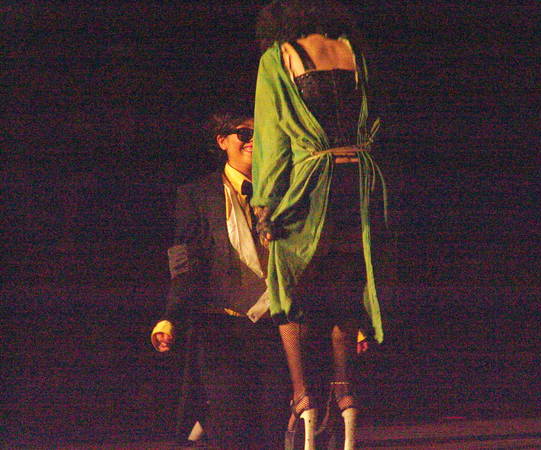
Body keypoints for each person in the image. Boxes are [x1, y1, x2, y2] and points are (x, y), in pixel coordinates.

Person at [251, 1, 388, 449]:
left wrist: (265, 206)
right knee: (344, 294)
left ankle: (303, 398)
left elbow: (271, 141)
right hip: (359, 185)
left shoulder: (280, 56)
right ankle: (345, 396)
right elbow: (377, 118)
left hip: (312, 187)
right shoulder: (353, 50)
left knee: (288, 293)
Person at [150, 108, 288, 449]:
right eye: (244, 133)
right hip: (222, 328)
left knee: (272, 427)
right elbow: (184, 259)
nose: (253, 141)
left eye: (260, 133)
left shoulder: (285, 191)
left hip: (276, 327)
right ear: (222, 141)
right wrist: (171, 315)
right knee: (231, 425)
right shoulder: (198, 194)